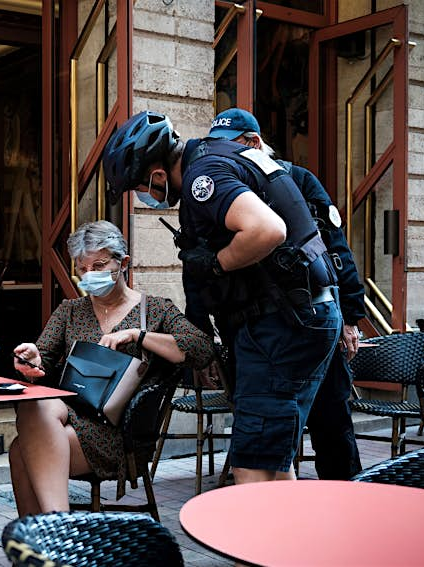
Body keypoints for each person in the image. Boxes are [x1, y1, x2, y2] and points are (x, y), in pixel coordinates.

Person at [103, 111, 342, 485]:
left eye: (140, 187)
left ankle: (259, 544)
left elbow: (268, 230)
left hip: (281, 324)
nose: (143, 196)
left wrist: (217, 263)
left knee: (251, 466)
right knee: (273, 458)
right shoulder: (222, 155)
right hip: (306, 314)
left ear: (159, 175)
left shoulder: (204, 176)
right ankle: (290, 538)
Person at [9, 220, 213, 515]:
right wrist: (32, 360)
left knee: (20, 450)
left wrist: (138, 336)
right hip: (68, 417)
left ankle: (47, 539)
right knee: (34, 405)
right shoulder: (70, 310)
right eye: (82, 268)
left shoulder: (155, 310)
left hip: (119, 434)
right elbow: (43, 357)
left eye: (99, 265)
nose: (89, 275)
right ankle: (55, 532)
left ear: (124, 263)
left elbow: (201, 349)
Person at [206, 107, 364, 479]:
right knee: (272, 429)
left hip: (313, 314)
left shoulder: (297, 179)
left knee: (332, 419)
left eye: (231, 146)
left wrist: (350, 319)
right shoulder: (229, 187)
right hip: (265, 328)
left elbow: (336, 251)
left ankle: (345, 500)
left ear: (254, 143)